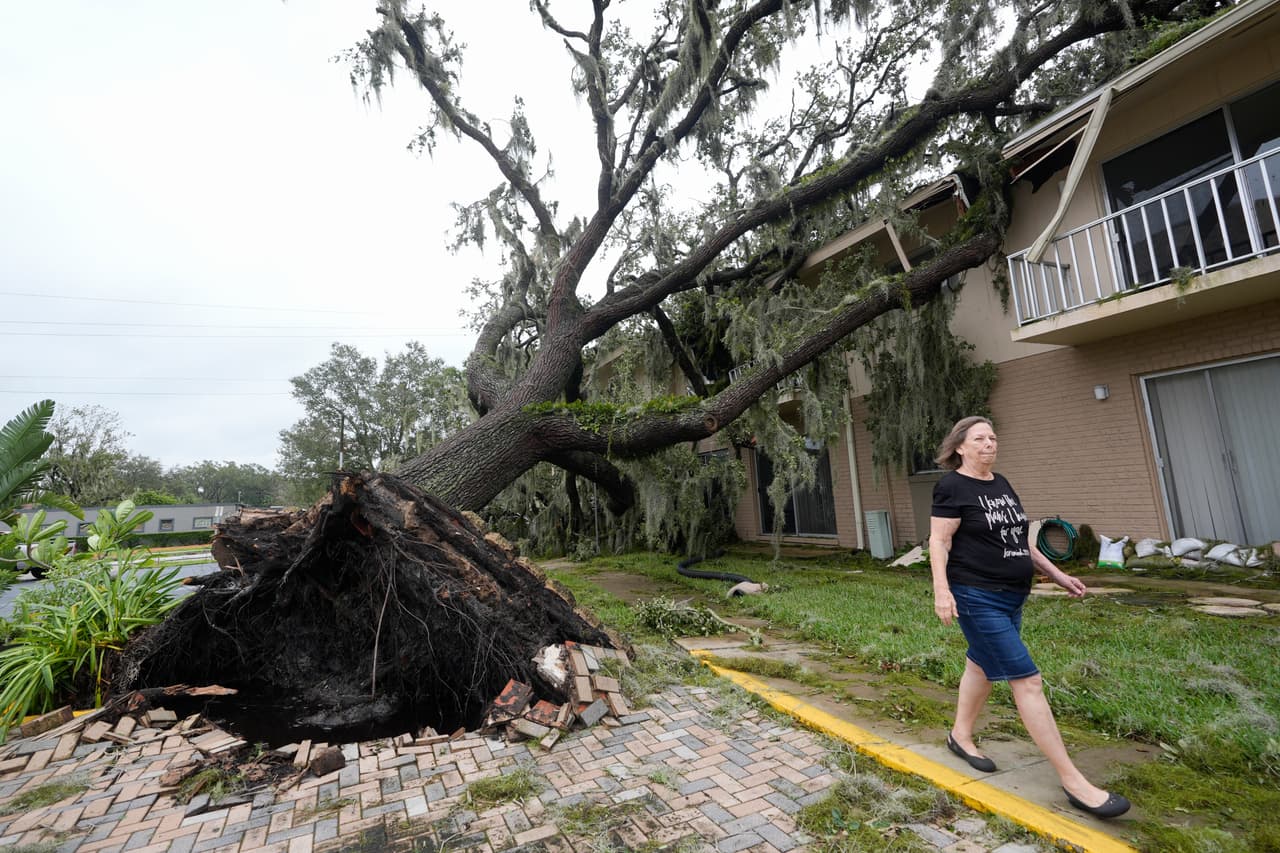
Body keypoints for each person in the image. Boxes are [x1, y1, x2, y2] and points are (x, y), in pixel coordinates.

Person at [928, 416, 1130, 819]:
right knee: (1027, 680)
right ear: (960, 447)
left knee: (981, 665)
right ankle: (1074, 781)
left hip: (1012, 596)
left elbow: (1020, 542)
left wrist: (1057, 574)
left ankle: (960, 736)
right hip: (976, 595)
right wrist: (942, 591)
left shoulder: (1001, 483)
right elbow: (939, 539)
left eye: (993, 437)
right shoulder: (952, 486)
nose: (989, 444)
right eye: (979, 439)